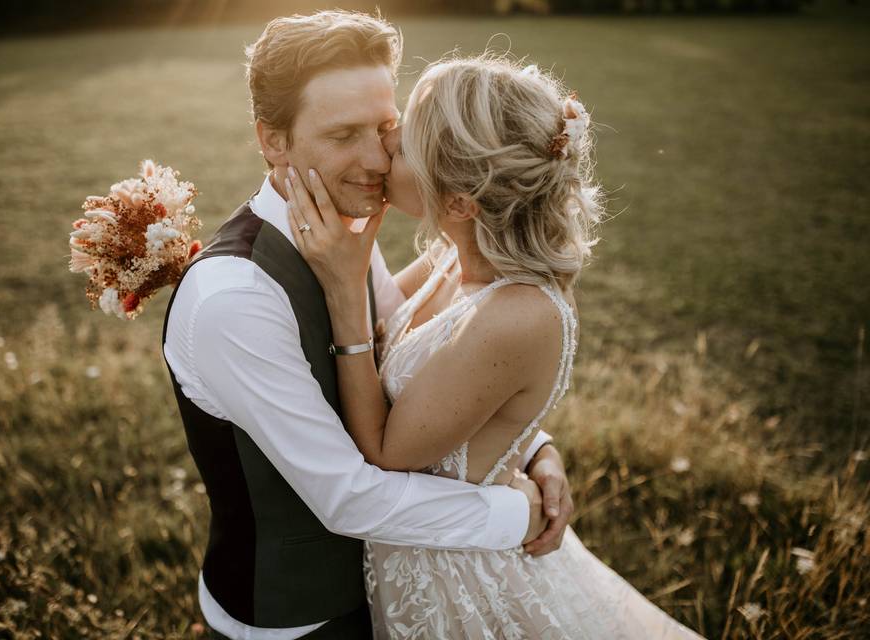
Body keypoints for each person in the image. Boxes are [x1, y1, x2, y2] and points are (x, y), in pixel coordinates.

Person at [161, 12, 573, 640]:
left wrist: (530, 445)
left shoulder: (340, 225)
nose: (378, 160)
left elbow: (415, 362)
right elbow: (349, 496)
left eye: (385, 128)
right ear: (273, 140)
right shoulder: (234, 299)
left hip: (397, 590)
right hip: (300, 618)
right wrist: (517, 513)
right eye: (342, 133)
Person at [286, 55, 705, 638]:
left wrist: (341, 289)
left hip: (457, 575)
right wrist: (537, 449)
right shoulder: (449, 256)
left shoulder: (519, 315)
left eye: (403, 148)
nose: (384, 151)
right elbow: (456, 387)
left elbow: (385, 450)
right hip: (423, 540)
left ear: (460, 203)